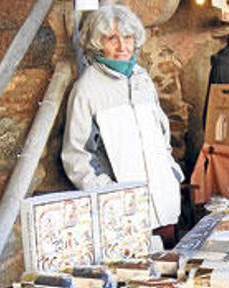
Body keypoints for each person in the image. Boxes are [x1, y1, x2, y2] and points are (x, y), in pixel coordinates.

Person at [61, 4, 184, 247]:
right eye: (111, 38)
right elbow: (77, 155)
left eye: (127, 38)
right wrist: (110, 196)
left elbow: (161, 134)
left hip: (164, 202)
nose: (122, 47)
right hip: (124, 214)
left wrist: (171, 174)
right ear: (97, 43)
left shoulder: (141, 78)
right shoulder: (87, 89)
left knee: (170, 277)